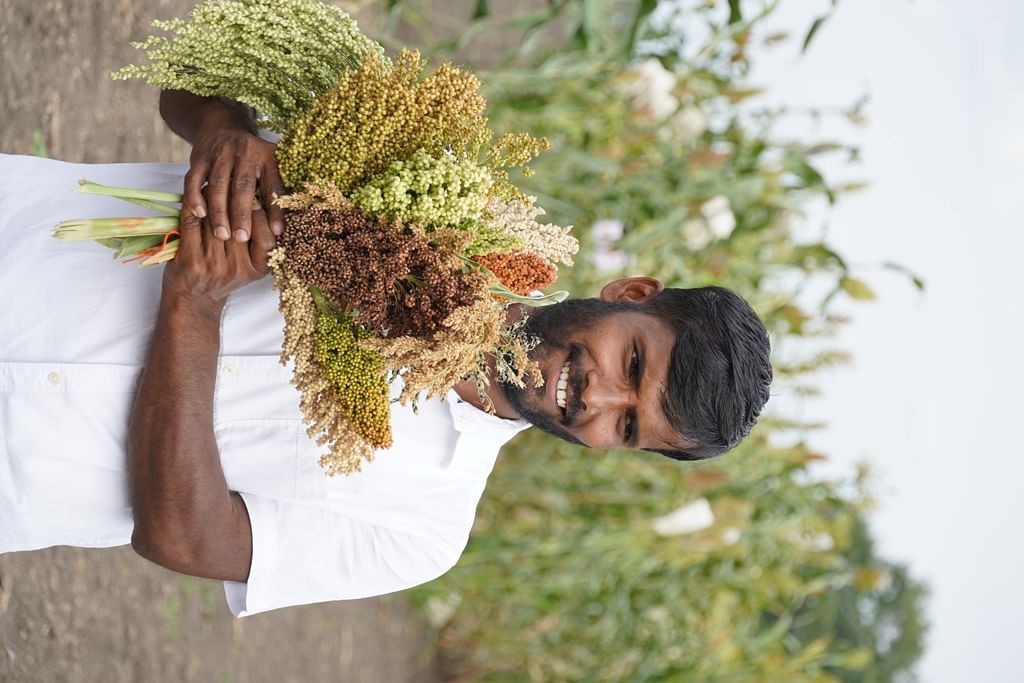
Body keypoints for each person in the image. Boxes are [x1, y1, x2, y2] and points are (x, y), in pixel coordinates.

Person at [0, 92, 771, 617]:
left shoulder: (425, 527)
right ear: (633, 293)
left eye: (628, 427)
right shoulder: (428, 191)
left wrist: (193, 307)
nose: (597, 399)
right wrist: (227, 132)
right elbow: (184, 81)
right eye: (633, 363)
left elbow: (182, 538)